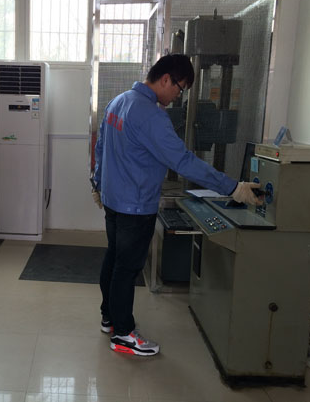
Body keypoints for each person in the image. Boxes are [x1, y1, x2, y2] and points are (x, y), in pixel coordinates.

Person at [92, 54, 261, 356]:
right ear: (166, 79)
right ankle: (124, 334)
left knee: (114, 259)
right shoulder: (151, 115)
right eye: (180, 88)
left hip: (113, 202)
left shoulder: (118, 102)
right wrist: (232, 187)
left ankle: (110, 318)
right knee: (126, 269)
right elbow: (182, 161)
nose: (177, 96)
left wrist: (97, 183)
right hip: (135, 207)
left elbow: (101, 146)